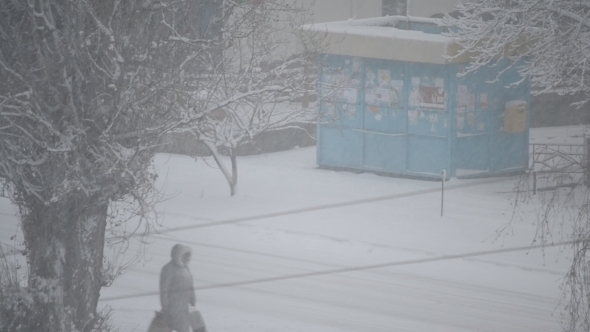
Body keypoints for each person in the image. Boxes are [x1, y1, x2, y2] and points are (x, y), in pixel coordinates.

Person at [160, 244, 197, 332]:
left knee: (184, 329)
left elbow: (190, 286)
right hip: (171, 306)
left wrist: (193, 299)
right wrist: (164, 304)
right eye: (185, 255)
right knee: (167, 328)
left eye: (188, 255)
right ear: (178, 255)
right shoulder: (168, 268)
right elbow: (163, 288)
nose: (187, 257)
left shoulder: (186, 269)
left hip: (183, 307)